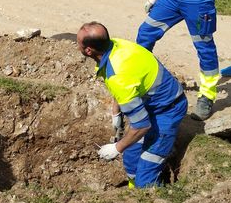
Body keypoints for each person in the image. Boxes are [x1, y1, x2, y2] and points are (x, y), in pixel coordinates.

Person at [77, 21, 187, 188]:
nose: (76, 45)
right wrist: (116, 112)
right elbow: (126, 86)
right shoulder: (115, 46)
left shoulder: (118, 76)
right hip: (152, 104)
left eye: (78, 42)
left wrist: (116, 148)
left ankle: (148, 196)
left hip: (168, 110)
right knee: (131, 157)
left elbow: (142, 125)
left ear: (89, 50)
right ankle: (133, 190)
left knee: (145, 179)